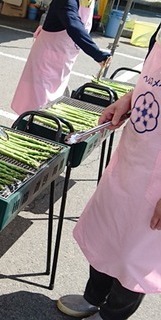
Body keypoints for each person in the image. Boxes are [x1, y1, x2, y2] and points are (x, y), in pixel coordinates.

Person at [56, 28, 161, 320]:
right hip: (134, 156)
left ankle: (112, 316)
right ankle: (93, 298)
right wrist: (129, 99)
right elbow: (152, 81)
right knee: (109, 233)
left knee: (135, 258)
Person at [10, 0, 111, 114]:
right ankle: (26, 128)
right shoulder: (66, 1)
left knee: (51, 106)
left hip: (63, 62)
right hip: (46, 61)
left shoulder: (88, 2)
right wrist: (97, 54)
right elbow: (74, 26)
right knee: (38, 108)